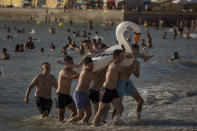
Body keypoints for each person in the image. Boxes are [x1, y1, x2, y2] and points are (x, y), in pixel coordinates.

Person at [92, 49, 136, 126]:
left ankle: (115, 124)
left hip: (113, 91)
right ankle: (94, 126)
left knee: (120, 108)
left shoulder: (113, 63)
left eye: (123, 56)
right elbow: (128, 70)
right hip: (105, 91)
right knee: (101, 110)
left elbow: (121, 57)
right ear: (116, 57)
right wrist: (134, 60)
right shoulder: (114, 66)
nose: (123, 57)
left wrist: (129, 55)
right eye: (121, 56)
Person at [114, 44, 150, 120]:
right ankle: (115, 121)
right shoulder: (124, 58)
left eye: (138, 51)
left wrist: (133, 69)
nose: (136, 53)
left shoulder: (137, 63)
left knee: (140, 100)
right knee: (118, 104)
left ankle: (138, 119)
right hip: (120, 83)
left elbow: (137, 75)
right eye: (134, 51)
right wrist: (143, 56)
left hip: (128, 83)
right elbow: (124, 54)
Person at [65, 57, 97, 125]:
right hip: (79, 94)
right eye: (90, 65)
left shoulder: (89, 71)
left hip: (86, 94)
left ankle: (82, 125)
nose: (92, 67)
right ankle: (66, 125)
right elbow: (95, 78)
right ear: (85, 65)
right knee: (80, 115)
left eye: (92, 65)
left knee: (89, 113)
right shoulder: (85, 72)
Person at [56, 56, 79, 122]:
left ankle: (68, 124)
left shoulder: (73, 71)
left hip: (67, 95)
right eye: (71, 63)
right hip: (60, 95)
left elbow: (80, 76)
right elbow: (69, 77)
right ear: (66, 63)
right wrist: (77, 75)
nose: (73, 64)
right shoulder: (63, 71)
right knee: (60, 119)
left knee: (75, 111)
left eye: (73, 63)